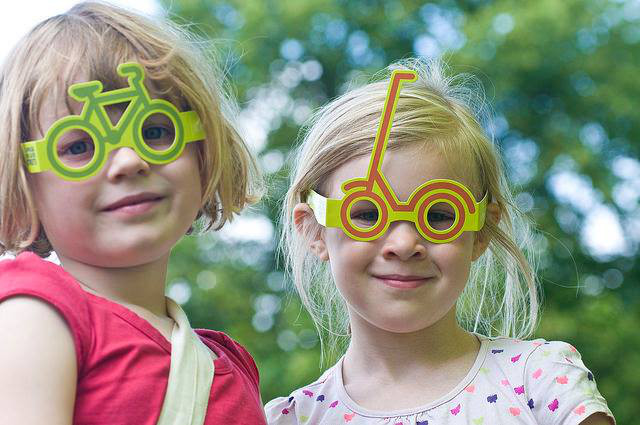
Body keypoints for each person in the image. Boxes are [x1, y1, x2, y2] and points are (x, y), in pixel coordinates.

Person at [265, 59, 615, 424]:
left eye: (438, 215)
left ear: (480, 232)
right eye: (368, 214)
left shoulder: (541, 385)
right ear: (314, 231)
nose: (403, 244)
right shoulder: (295, 418)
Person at [0, 2, 266, 424]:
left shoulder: (232, 365)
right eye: (79, 147)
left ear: (204, 152)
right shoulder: (36, 311)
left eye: (155, 130)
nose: (128, 161)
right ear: (22, 189)